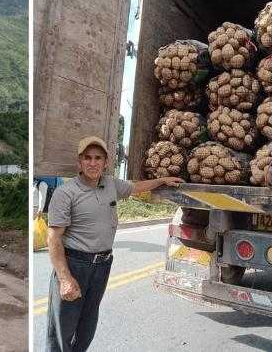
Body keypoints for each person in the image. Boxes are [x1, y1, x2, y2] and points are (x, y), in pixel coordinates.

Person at [46, 136, 183, 352]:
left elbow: (136, 187)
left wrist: (162, 180)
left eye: (98, 158)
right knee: (63, 329)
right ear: (79, 162)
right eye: (87, 158)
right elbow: (53, 238)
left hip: (102, 266)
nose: (93, 163)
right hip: (75, 264)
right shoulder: (66, 193)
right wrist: (64, 278)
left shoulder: (110, 184)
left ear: (106, 162)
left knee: (87, 326)